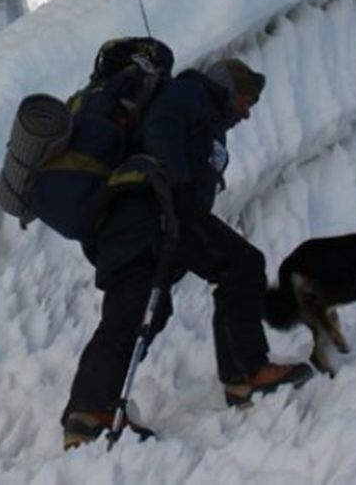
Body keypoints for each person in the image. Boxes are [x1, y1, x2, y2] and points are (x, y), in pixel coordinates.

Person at [60, 58, 313, 449]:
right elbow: (163, 124)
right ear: (231, 87)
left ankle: (92, 411)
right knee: (240, 265)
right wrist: (178, 193)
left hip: (144, 220)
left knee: (142, 308)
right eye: (247, 100)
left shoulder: (205, 114)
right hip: (155, 212)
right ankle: (245, 373)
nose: (247, 112)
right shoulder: (193, 91)